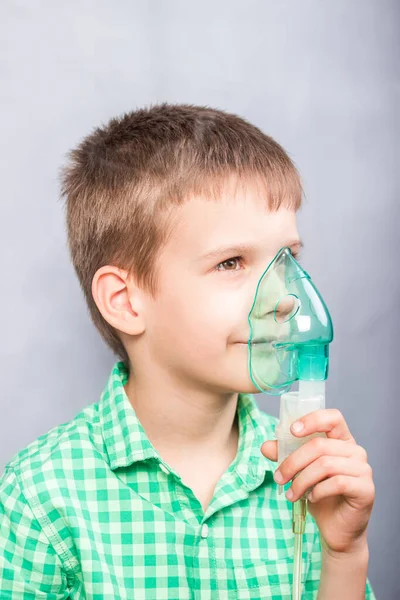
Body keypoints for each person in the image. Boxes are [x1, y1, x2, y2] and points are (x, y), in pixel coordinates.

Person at [0, 104, 376, 599]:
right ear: (125, 300)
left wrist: (344, 556)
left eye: (288, 258)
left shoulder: (303, 477)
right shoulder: (42, 497)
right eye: (231, 263)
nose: (285, 296)